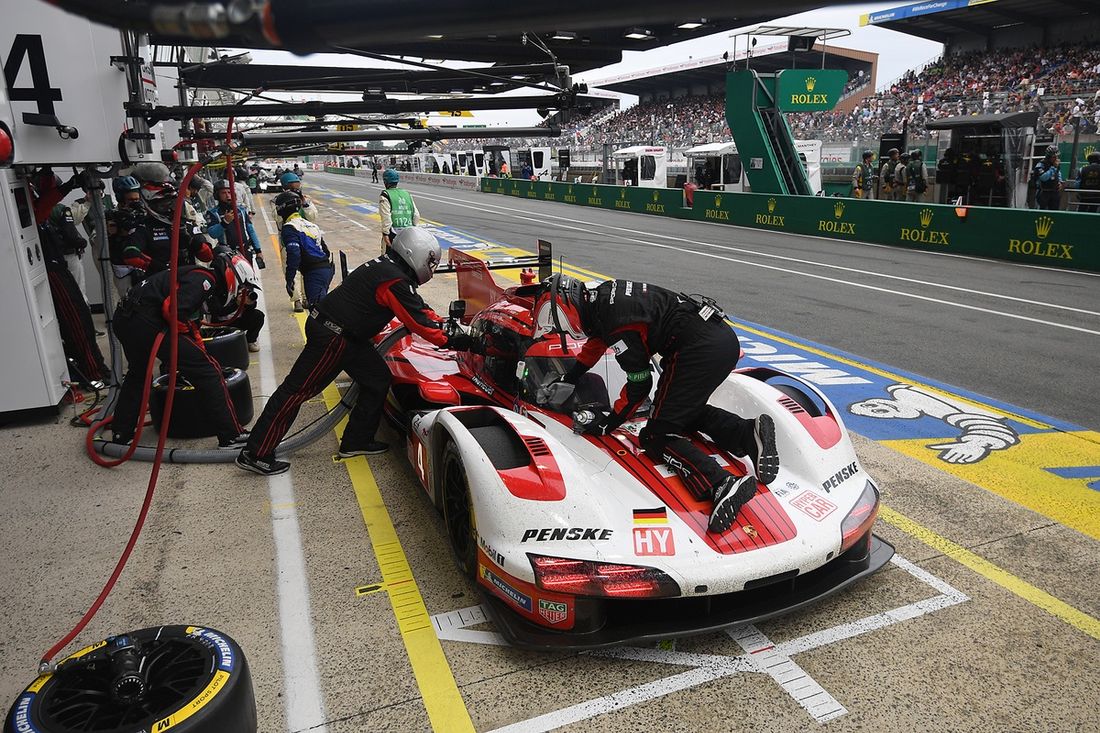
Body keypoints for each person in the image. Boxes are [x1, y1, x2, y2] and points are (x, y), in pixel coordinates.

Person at [531, 275, 779, 534]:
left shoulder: (615, 324)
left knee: (655, 434)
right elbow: (599, 339)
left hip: (696, 350)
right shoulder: (603, 299)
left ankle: (721, 483)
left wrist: (610, 422)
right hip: (720, 338)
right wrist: (571, 375)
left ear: (566, 312)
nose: (566, 333)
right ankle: (747, 433)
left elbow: (640, 384)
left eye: (562, 328)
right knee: (676, 412)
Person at [236, 227, 475, 476]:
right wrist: (456, 340)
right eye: (430, 261)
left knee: (377, 378)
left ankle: (356, 441)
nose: (431, 267)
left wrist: (444, 323)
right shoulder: (394, 279)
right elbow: (420, 323)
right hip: (334, 336)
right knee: (295, 391)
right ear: (413, 252)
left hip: (345, 335)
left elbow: (419, 309)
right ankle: (256, 453)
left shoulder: (390, 268)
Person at [110, 246, 256, 448]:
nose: (240, 293)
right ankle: (231, 435)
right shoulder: (205, 279)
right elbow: (174, 311)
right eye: (241, 288)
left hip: (126, 320)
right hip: (146, 323)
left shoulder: (194, 275)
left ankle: (121, 432)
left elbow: (184, 320)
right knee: (209, 372)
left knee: (139, 374)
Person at [38, 203, 109, 386]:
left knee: (80, 314)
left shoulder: (44, 208)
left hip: (57, 264)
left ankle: (95, 370)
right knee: (77, 315)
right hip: (57, 266)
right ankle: (92, 373)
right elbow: (71, 234)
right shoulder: (55, 208)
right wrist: (81, 243)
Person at [275, 191, 334, 310]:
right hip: (327, 269)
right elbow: (326, 251)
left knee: (318, 311)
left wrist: (290, 278)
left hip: (314, 272)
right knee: (321, 307)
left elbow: (294, 254)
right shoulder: (311, 225)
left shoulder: (289, 227)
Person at [206, 179, 264, 267]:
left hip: (244, 250)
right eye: (223, 193)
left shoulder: (241, 210)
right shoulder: (213, 213)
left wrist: (258, 250)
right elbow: (213, 233)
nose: (228, 196)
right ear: (217, 195)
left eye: (229, 192)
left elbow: (250, 230)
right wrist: (225, 222)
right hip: (227, 253)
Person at [379, 168, 420, 252]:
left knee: (388, 259)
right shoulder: (406, 193)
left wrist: (385, 234)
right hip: (408, 234)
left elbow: (386, 216)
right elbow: (416, 215)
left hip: (393, 234)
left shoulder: (385, 195)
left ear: (385, 182)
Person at [1034, 146, 1064, 210]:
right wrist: (1053, 168)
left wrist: (1060, 182)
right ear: (1048, 156)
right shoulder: (1041, 164)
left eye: (1057, 156)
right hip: (1043, 192)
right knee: (1042, 211)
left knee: (1054, 212)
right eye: (1054, 157)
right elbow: (1043, 178)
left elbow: (1058, 173)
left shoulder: (1056, 164)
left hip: (1055, 192)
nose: (1056, 158)